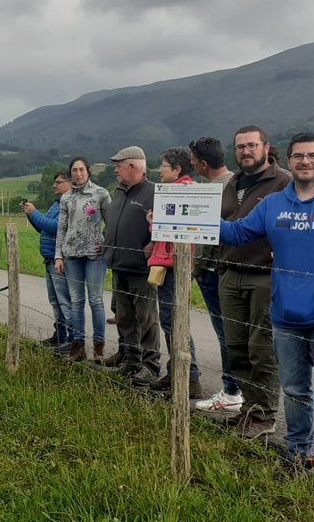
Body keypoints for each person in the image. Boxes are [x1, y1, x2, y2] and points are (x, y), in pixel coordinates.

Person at [220, 132, 314, 488]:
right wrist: (182, 220)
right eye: (298, 157)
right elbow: (239, 233)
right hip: (285, 315)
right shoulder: (274, 204)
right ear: (288, 161)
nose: (305, 162)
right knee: (294, 392)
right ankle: (297, 454)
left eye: (313, 156)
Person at [214, 126, 292, 434]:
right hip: (230, 273)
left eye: (252, 145)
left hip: (264, 276)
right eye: (240, 147)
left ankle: (263, 415)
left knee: (261, 348)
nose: (246, 151)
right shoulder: (232, 183)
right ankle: (248, 407)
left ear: (266, 147)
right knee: (236, 346)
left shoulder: (283, 182)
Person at [187, 136, 240, 413]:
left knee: (225, 333)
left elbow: (207, 238)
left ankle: (232, 390)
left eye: (194, 160)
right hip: (233, 268)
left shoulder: (212, 191)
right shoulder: (236, 184)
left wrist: (197, 269)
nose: (192, 164)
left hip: (213, 271)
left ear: (204, 163)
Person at [100, 146, 162, 384]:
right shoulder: (119, 193)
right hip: (119, 265)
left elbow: (162, 228)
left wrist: (150, 247)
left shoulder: (154, 193)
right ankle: (131, 360)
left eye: (119, 164)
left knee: (146, 319)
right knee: (124, 317)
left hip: (141, 269)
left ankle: (150, 365)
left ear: (133, 166)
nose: (115, 169)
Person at [147, 147, 202, 398]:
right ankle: (176, 371)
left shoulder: (185, 192)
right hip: (167, 262)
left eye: (164, 165)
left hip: (176, 265)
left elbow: (184, 230)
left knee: (175, 321)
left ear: (177, 170)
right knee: (169, 320)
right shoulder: (172, 191)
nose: (159, 169)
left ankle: (188, 378)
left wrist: (158, 223)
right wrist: (155, 223)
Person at [55, 156, 112, 362]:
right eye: (74, 170)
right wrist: (58, 256)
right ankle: (78, 346)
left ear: (88, 171)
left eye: (81, 170)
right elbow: (62, 228)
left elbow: (110, 223)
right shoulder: (66, 198)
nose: (78, 174)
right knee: (76, 301)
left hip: (95, 255)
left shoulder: (101, 194)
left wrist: (107, 247)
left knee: (96, 300)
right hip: (72, 255)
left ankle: (99, 348)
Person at [23, 171, 74, 351]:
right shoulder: (56, 204)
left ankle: (72, 339)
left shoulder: (68, 203)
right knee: (55, 300)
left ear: (69, 183)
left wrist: (34, 212)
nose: (54, 185)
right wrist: (31, 215)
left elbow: (55, 228)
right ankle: (60, 334)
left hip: (60, 259)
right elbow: (43, 229)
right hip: (50, 258)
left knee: (64, 300)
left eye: (58, 182)